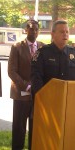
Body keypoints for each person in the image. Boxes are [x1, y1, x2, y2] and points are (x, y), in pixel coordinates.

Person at [8, 20, 44, 150]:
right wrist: (26, 86)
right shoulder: (17, 47)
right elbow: (12, 71)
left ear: (38, 31)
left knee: (35, 129)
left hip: (37, 96)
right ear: (25, 30)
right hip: (21, 94)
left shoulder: (43, 47)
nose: (33, 31)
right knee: (19, 129)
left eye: (36, 29)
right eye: (31, 28)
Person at [31, 20, 75, 97]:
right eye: (62, 32)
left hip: (69, 100)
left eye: (67, 32)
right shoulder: (42, 53)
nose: (65, 34)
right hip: (48, 99)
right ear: (52, 34)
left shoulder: (73, 52)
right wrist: (43, 96)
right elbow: (36, 79)